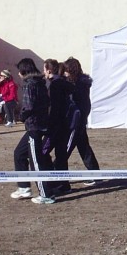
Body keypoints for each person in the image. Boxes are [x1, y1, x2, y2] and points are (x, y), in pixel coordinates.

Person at [10, 58, 55, 204]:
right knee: (19, 154)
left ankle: (46, 194)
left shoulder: (30, 85)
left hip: (34, 127)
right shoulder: (41, 83)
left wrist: (21, 116)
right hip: (38, 125)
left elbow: (28, 107)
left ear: (23, 71)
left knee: (36, 161)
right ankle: (24, 187)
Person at [63, 57, 100, 185]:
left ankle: (57, 176)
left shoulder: (77, 86)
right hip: (79, 121)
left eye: (67, 70)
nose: (64, 73)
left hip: (75, 122)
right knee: (84, 147)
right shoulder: (81, 84)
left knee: (65, 150)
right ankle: (95, 173)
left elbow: (79, 105)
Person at [43, 59, 73, 195]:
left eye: (44, 69)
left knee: (43, 152)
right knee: (61, 155)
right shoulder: (65, 84)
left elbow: (54, 109)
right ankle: (63, 184)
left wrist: (49, 124)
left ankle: (52, 181)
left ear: (48, 70)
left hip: (56, 125)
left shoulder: (54, 85)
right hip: (65, 124)